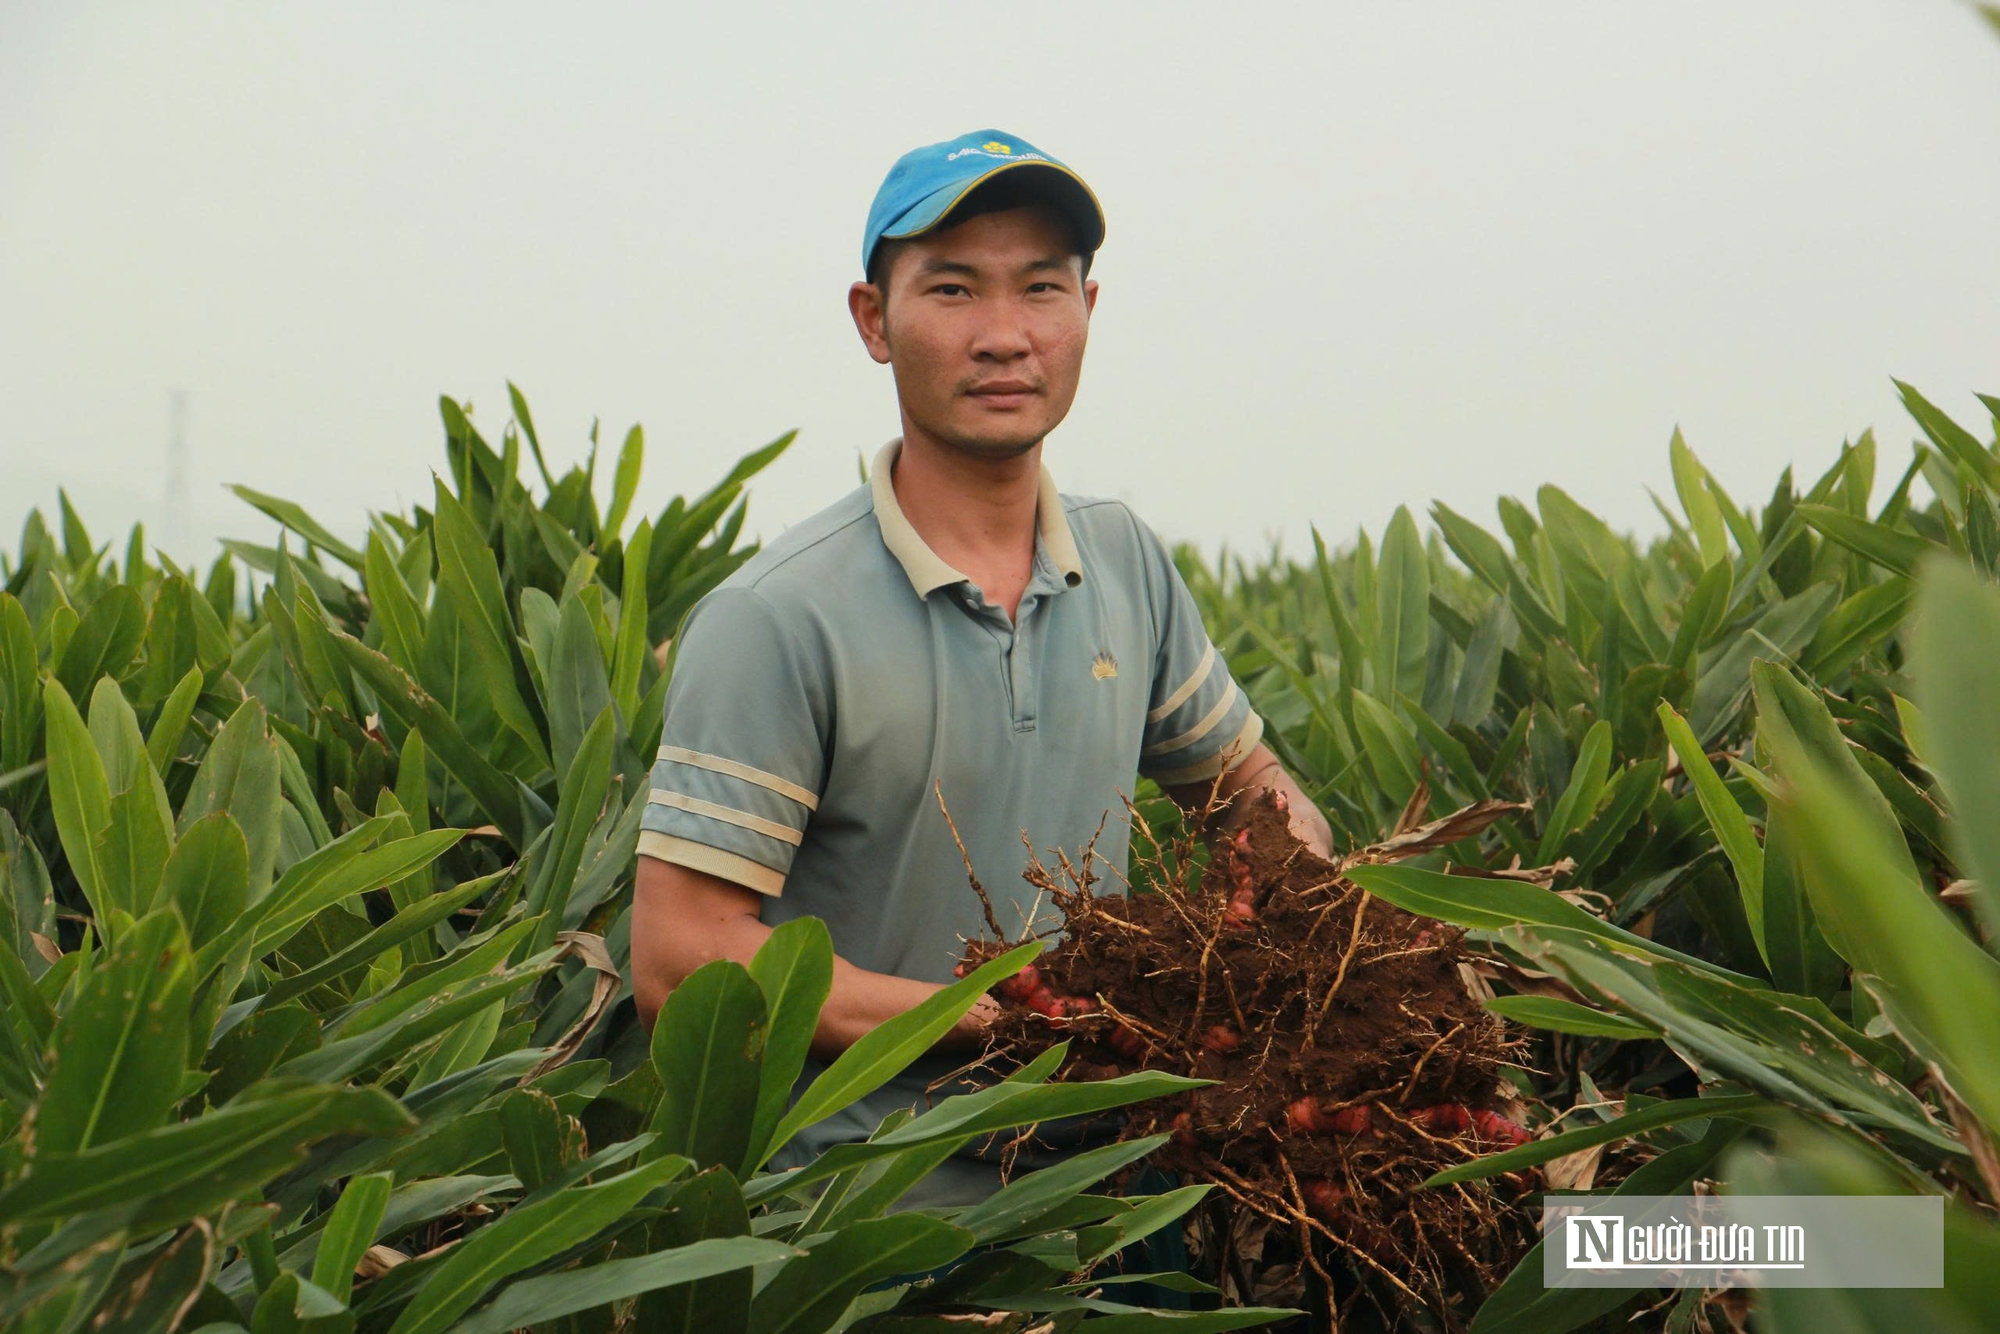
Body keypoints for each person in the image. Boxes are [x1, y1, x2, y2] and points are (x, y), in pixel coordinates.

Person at [630, 128, 1332, 1205]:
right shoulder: (778, 617)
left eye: (1040, 288)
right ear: (874, 320)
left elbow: (1247, 788)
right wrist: (1003, 1018)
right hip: (861, 1216)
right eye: (952, 290)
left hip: (1111, 1181)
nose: (1005, 336)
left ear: (1086, 313)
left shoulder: (1121, 560)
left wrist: (1286, 891)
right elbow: (679, 960)